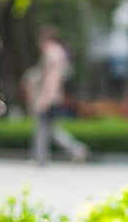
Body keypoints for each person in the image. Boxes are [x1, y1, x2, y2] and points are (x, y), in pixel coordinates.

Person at [25, 26, 88, 165]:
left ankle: (41, 158)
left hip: (49, 96)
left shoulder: (51, 53)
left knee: (43, 128)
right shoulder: (59, 52)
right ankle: (76, 150)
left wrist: (46, 98)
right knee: (49, 128)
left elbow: (52, 78)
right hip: (55, 96)